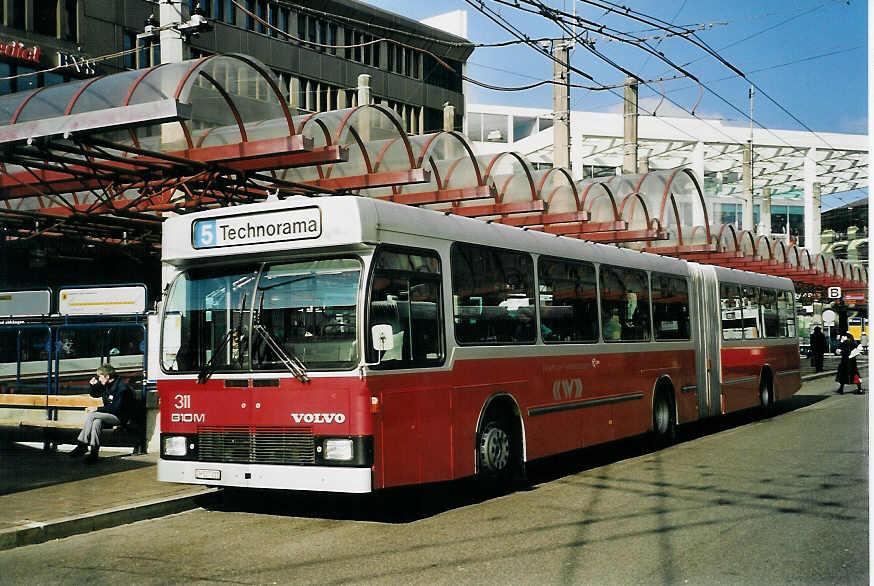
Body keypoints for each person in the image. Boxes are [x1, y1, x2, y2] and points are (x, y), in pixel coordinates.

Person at [68, 364, 134, 463]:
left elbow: (116, 408)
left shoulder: (122, 388)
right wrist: (92, 385)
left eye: (100, 377)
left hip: (119, 417)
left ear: (107, 376)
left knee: (92, 415)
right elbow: (94, 394)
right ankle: (94, 453)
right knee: (96, 422)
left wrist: (97, 409)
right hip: (109, 415)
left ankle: (82, 444)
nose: (99, 379)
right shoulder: (106, 384)